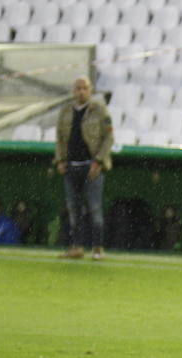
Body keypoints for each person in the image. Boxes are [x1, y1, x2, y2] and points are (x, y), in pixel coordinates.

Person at [54, 76, 114, 261]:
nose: (81, 91)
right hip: (71, 165)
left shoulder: (100, 110)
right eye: (78, 88)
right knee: (73, 208)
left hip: (92, 166)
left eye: (85, 88)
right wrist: (60, 160)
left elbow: (108, 138)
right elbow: (60, 139)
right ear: (74, 90)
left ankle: (97, 248)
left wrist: (98, 161)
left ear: (91, 90)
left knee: (94, 207)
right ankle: (76, 247)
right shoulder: (65, 111)